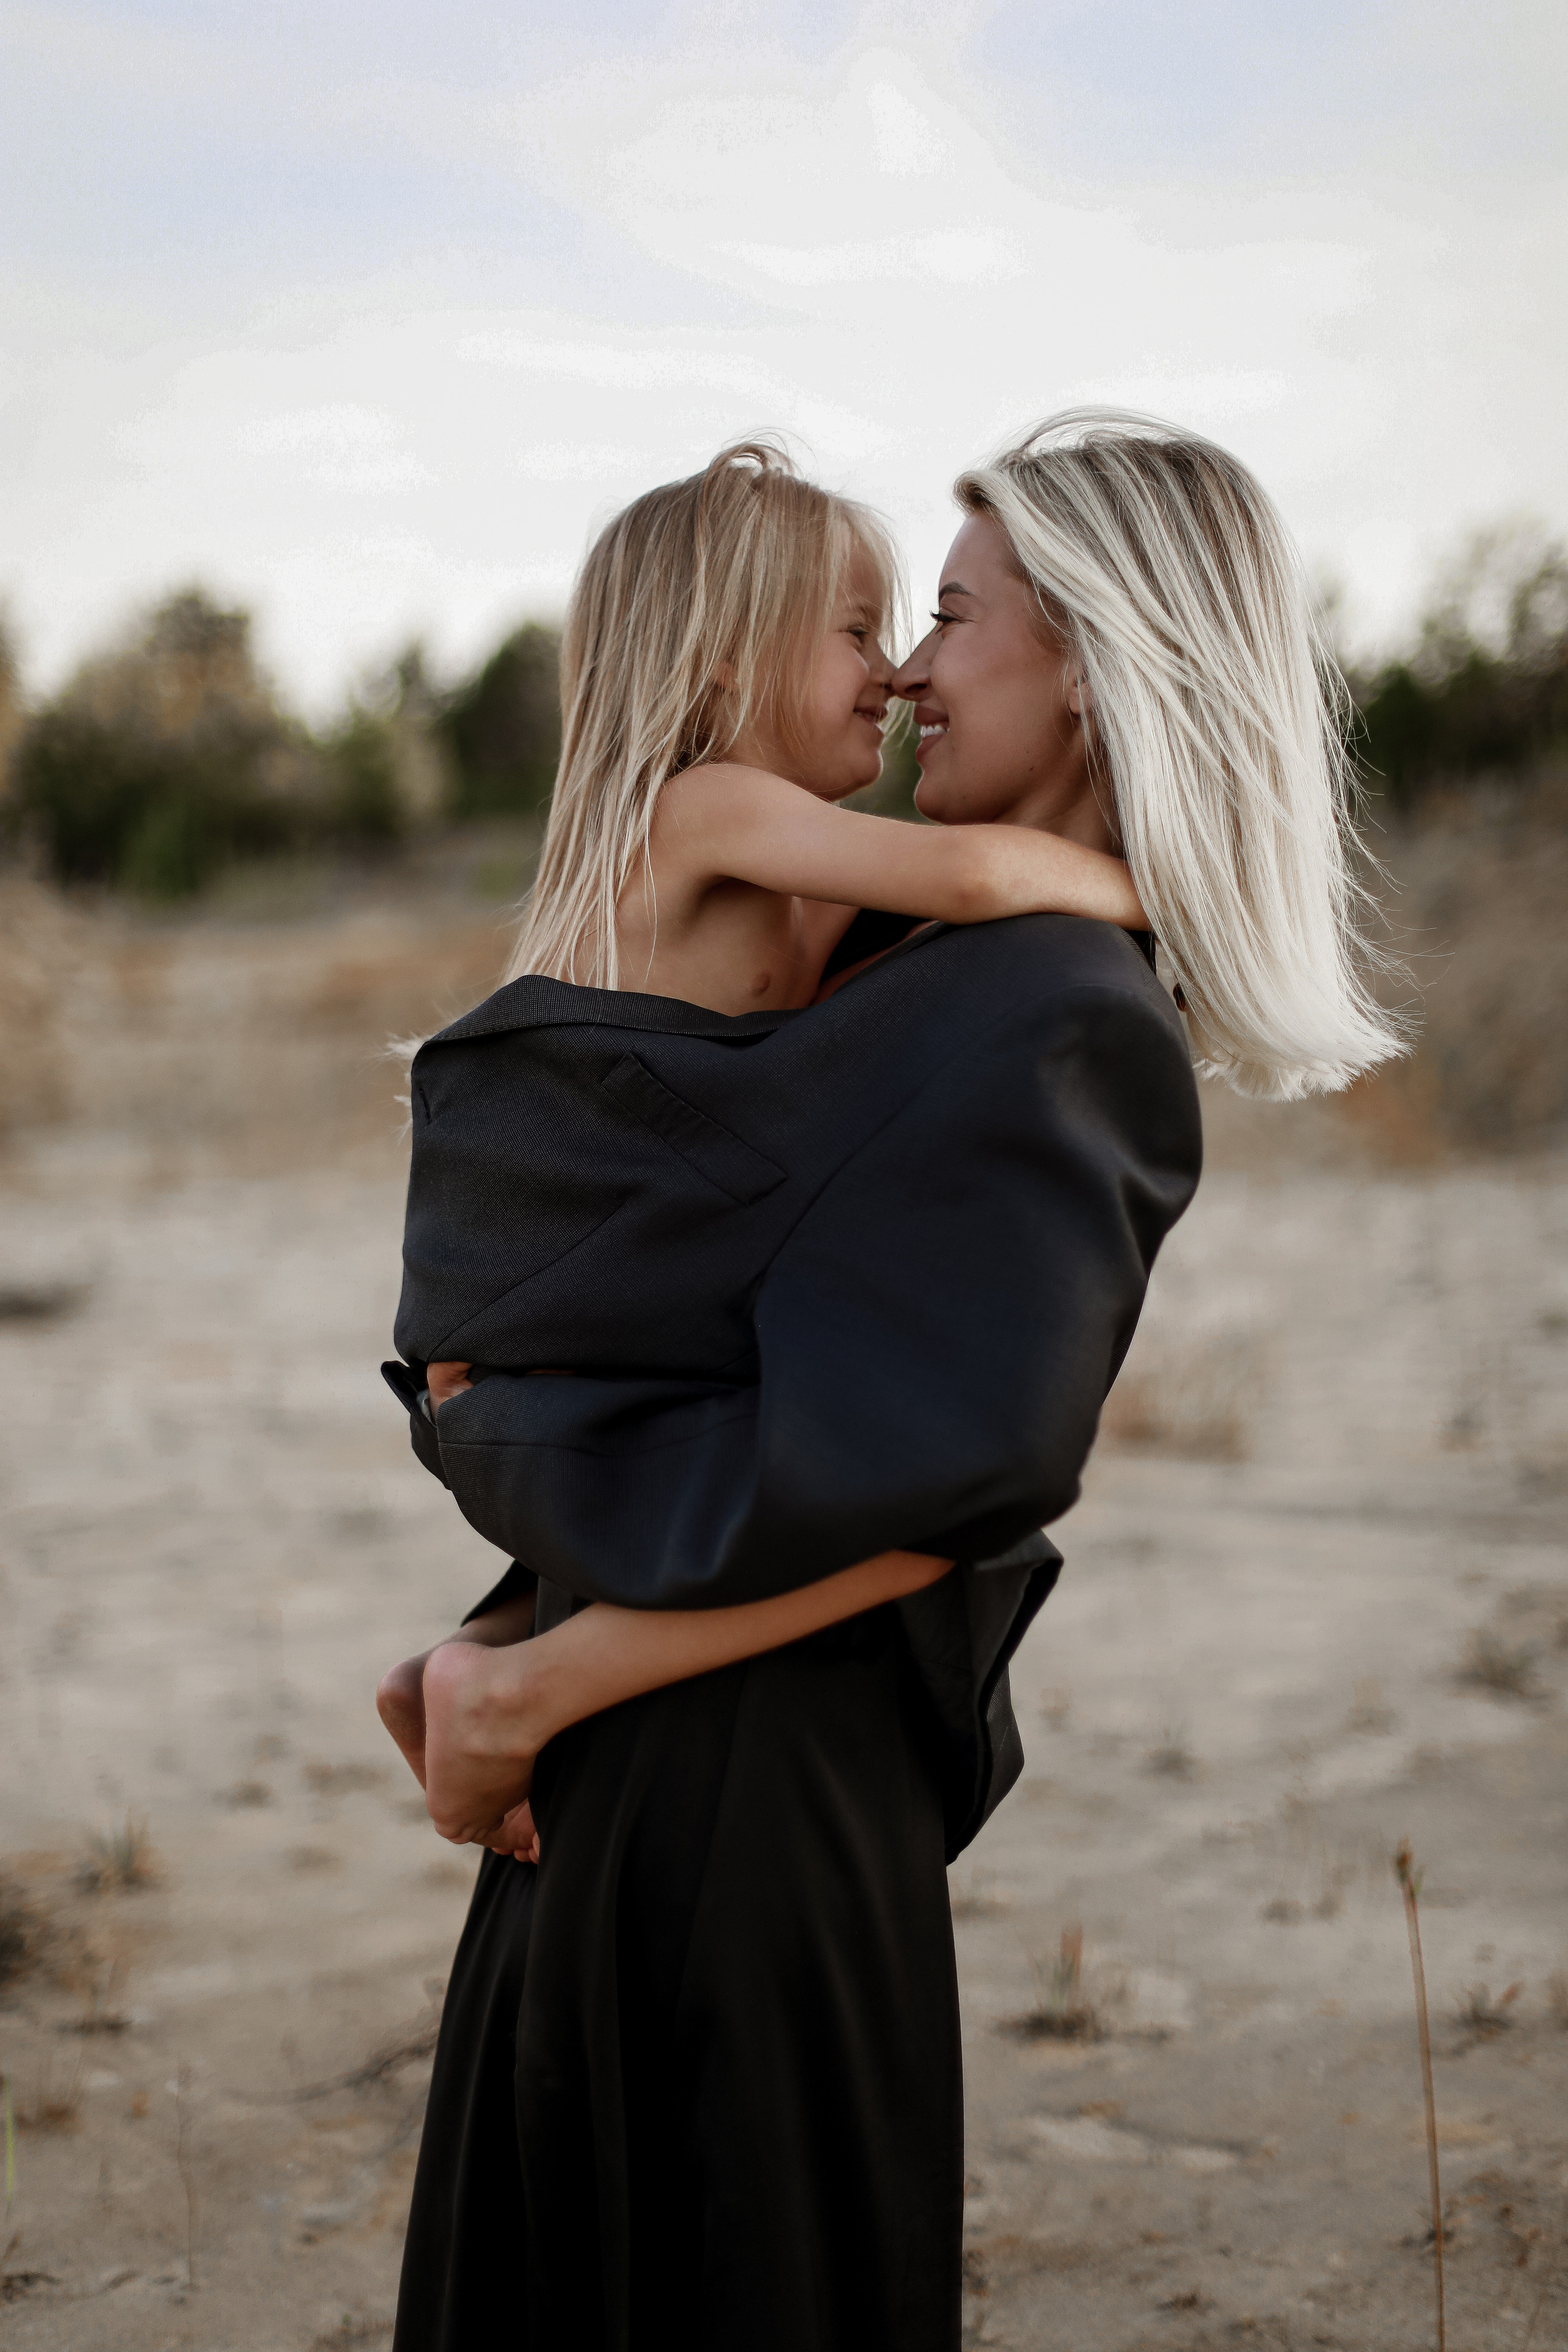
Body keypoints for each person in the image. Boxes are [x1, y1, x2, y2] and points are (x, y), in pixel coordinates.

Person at [380, 417, 1402, 2352]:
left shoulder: (1061, 1010)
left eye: (944, 614)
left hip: (740, 1808)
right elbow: (692, 1348)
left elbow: (940, 1488)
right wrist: (504, 1638)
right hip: (650, 1788)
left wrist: (537, 1676)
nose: (911, 670)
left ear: (1100, 658)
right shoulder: (900, 954)